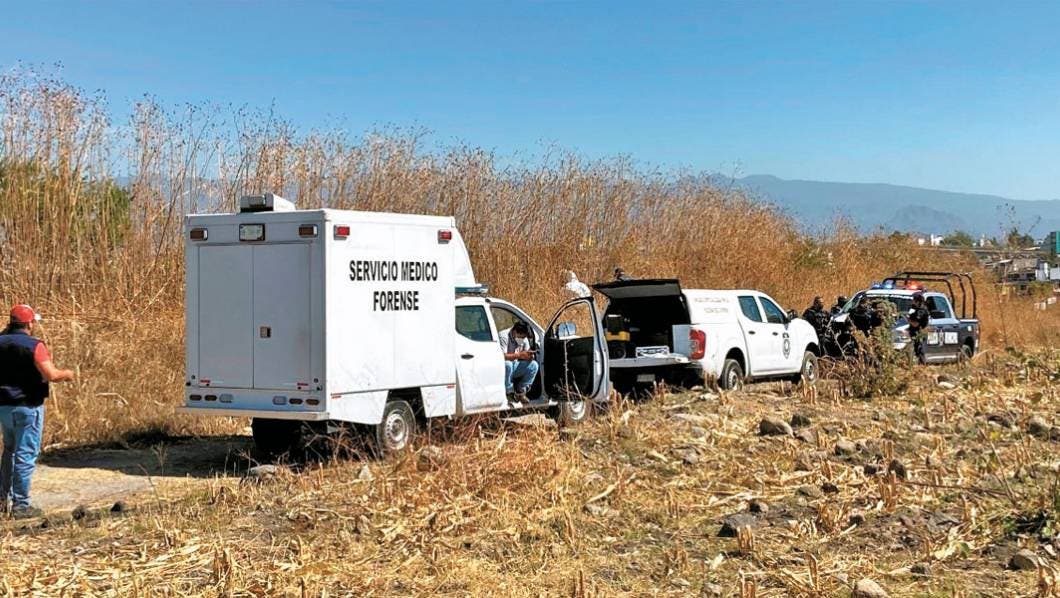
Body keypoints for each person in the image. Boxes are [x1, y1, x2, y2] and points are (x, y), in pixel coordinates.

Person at [0, 305, 75, 519]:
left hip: (3, 407)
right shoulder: (34, 345)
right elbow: (51, 374)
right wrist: (67, 374)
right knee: (25, 454)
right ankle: (21, 505)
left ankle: (1, 500)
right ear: (29, 323)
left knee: (9, 451)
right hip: (28, 406)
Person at [498, 321, 538, 402]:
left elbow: (526, 353)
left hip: (516, 365)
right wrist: (519, 355)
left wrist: (529, 356)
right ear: (515, 332)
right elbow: (502, 356)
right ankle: (509, 392)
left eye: (524, 337)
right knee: (508, 364)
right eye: (521, 337)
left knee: (534, 365)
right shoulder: (504, 336)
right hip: (504, 366)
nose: (523, 339)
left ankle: (521, 391)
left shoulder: (524, 339)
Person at [907, 292, 931, 362]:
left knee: (918, 350)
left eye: (913, 300)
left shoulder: (921, 311)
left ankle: (921, 365)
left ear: (917, 301)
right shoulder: (915, 309)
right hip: (913, 334)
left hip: (918, 334)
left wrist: (907, 319)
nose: (912, 302)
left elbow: (916, 324)